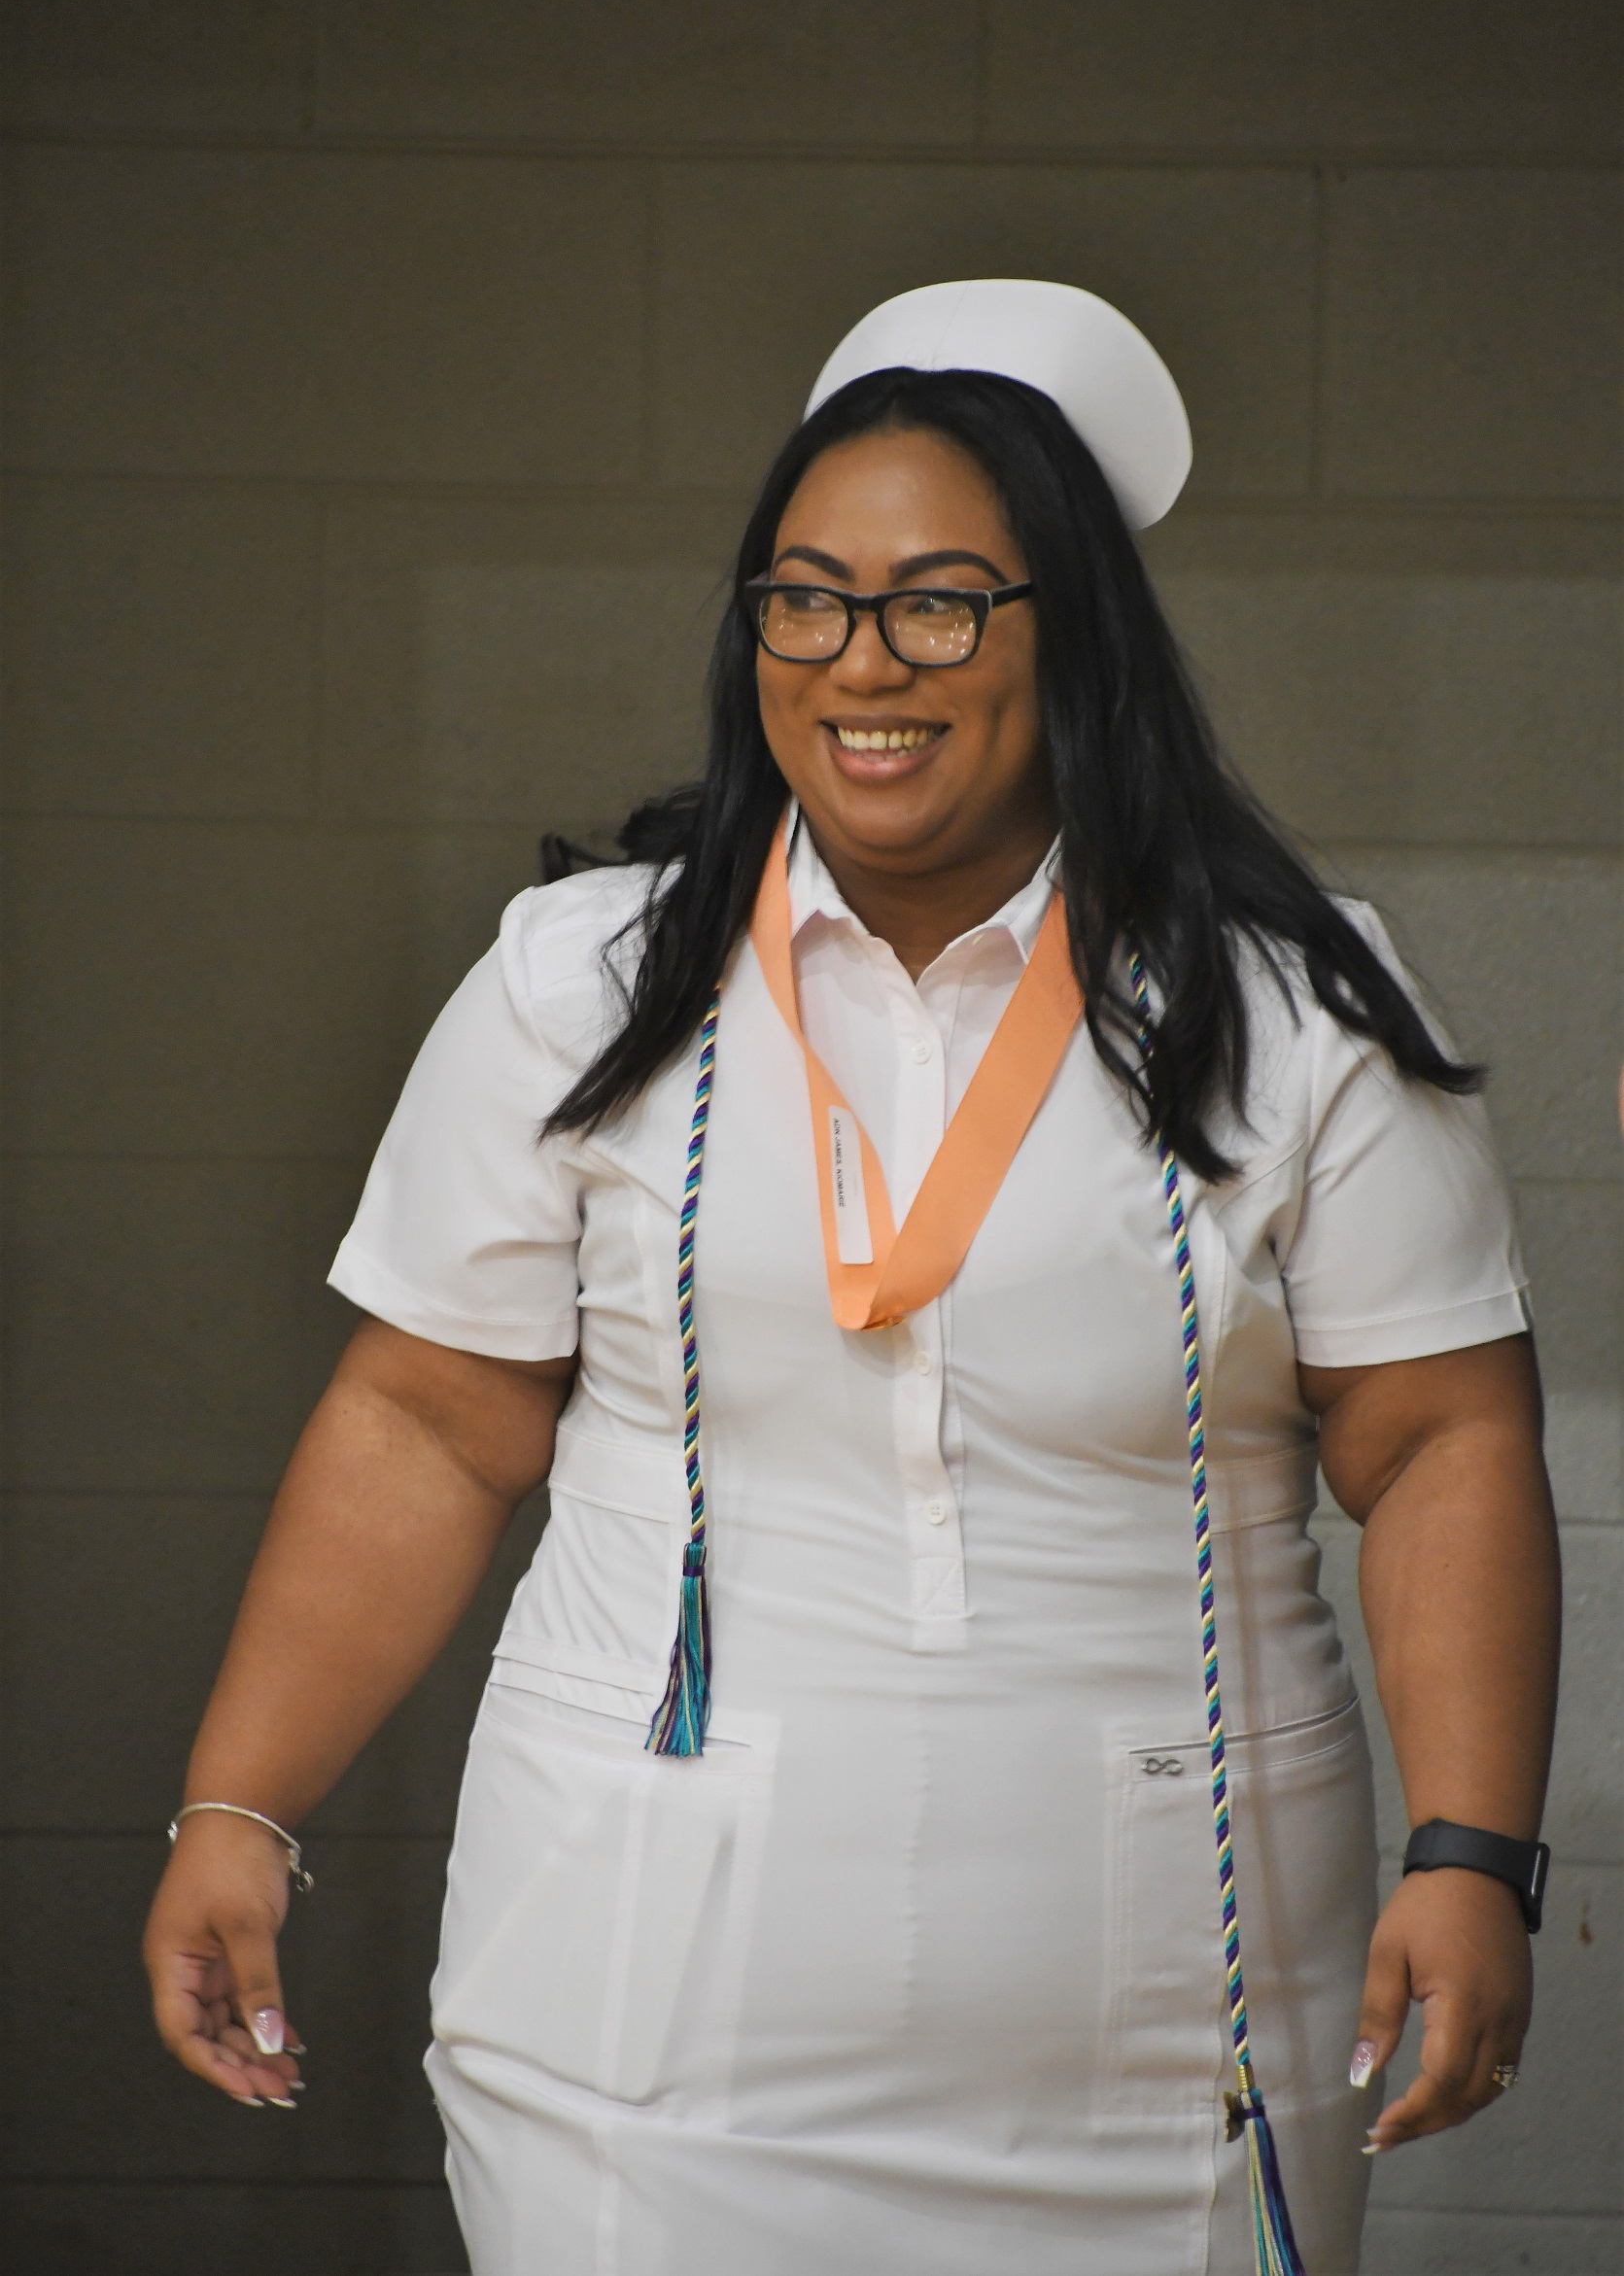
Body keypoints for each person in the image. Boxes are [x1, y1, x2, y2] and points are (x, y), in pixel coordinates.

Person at [144, 282, 1559, 2276]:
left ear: (1069, 632)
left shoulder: (1282, 992)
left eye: (936, 600)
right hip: (640, 2014)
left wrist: (1472, 1850)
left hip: (1161, 2009)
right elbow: (424, 1420)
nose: (856, 659)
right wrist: (241, 1804)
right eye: (801, 597)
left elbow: (1436, 1445)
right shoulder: (582, 975)